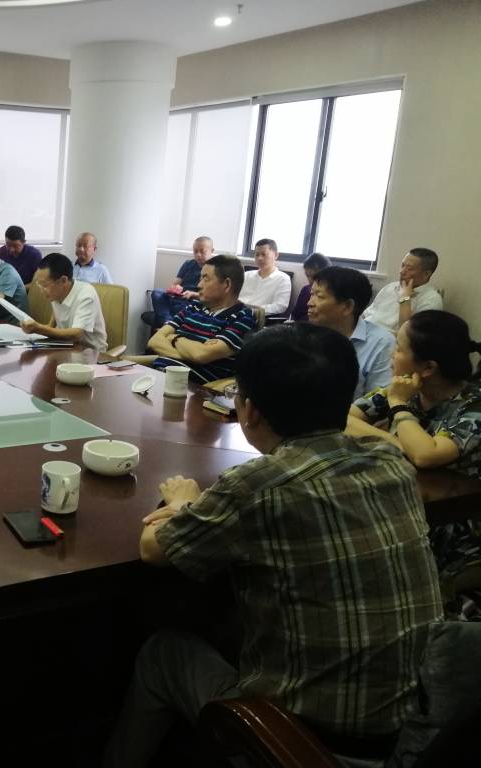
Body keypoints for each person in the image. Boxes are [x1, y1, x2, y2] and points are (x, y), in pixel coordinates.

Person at [106, 323, 443, 768]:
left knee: (163, 652)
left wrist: (183, 504)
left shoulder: (257, 487)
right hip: (416, 731)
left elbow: (153, 549)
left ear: (248, 411)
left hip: (304, 746)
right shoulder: (391, 463)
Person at [348, 310, 481, 619]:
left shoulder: (472, 405)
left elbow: (426, 455)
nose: (392, 356)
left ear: (428, 367)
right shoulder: (406, 389)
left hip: (454, 528)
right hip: (402, 507)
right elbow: (345, 419)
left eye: (398, 348)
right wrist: (397, 443)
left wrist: (398, 406)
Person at [139, 254, 256, 383]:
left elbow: (201, 355)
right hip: (160, 374)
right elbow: (154, 341)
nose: (199, 285)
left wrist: (174, 338)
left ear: (226, 284)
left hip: (192, 388)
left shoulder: (243, 317)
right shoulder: (194, 307)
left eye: (206, 279)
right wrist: (193, 352)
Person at [307, 266, 394, 398]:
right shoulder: (305, 335)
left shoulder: (381, 344)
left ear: (348, 306)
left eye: (319, 296)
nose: (309, 303)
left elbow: (377, 401)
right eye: (311, 294)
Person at [21, 252, 108, 352]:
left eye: (44, 285)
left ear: (63, 280)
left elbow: (76, 334)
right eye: (39, 284)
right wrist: (31, 328)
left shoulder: (86, 295)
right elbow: (51, 327)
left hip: (91, 353)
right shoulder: (56, 293)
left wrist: (38, 328)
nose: (41, 290)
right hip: (66, 347)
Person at [361, 247, 442, 334]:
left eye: (409, 269)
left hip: (385, 338)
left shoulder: (431, 300)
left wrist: (405, 298)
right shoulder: (391, 287)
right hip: (364, 330)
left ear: (426, 274)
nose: (402, 272)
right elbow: (366, 314)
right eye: (402, 265)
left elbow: (408, 335)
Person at [146, 236, 213, 328]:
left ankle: (167, 322)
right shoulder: (188, 264)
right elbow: (175, 284)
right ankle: (167, 321)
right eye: (195, 251)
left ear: (211, 251)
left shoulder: (214, 270)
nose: (198, 254)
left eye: (202, 251)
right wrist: (176, 288)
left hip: (193, 303)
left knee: (175, 309)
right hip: (179, 297)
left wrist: (193, 294)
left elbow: (211, 296)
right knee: (157, 293)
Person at [238, 238, 292, 316]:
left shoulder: (283, 279)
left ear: (276, 255)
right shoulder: (246, 275)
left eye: (264, 254)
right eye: (257, 255)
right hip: (237, 312)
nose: (260, 258)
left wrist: (254, 310)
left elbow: (280, 306)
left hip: (257, 317)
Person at [289, 252, 331, 322]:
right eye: (308, 276)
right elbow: (295, 313)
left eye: (314, 276)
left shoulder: (330, 293)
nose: (310, 280)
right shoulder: (305, 290)